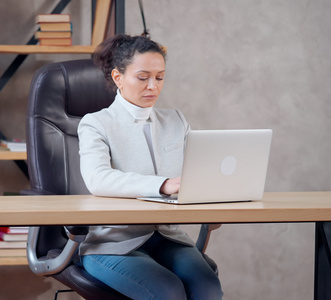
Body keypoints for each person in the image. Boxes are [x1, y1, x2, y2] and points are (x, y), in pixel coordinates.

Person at [77, 34, 223, 300]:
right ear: (118, 78)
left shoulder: (175, 120)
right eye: (143, 77)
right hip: (113, 243)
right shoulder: (96, 123)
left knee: (208, 288)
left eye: (160, 77)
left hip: (169, 237)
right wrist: (163, 184)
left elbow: (200, 170)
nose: (152, 86)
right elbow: (98, 178)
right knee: (167, 292)